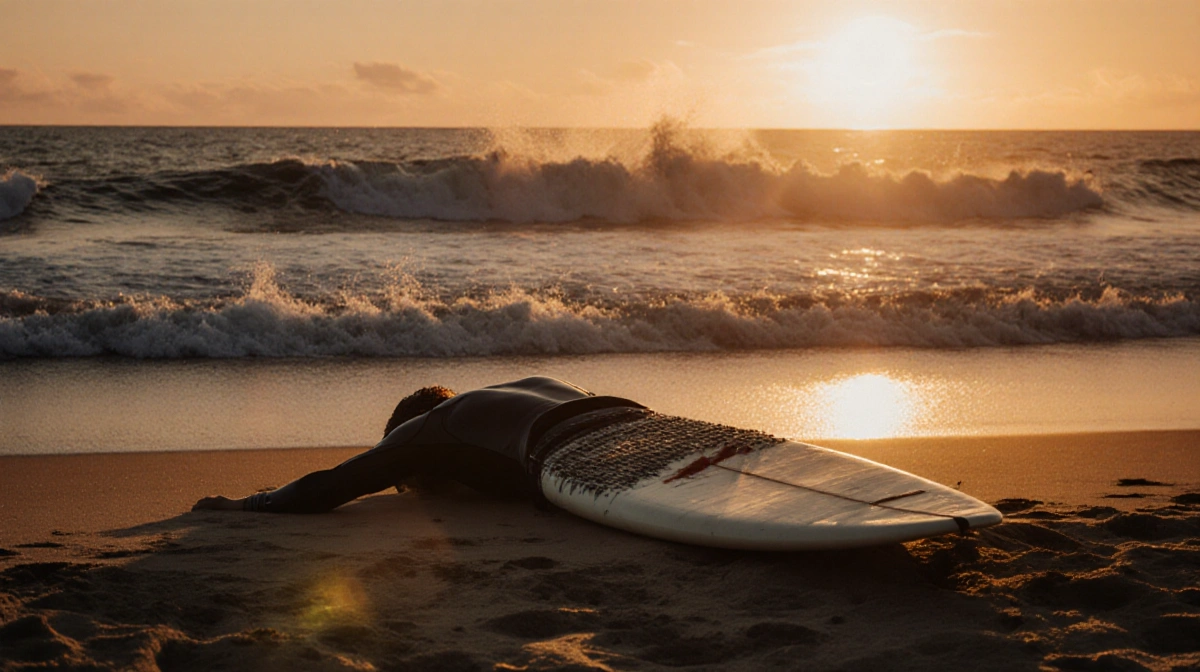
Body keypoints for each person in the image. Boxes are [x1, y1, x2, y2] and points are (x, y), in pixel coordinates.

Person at [193, 376, 648, 513]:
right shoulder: (537, 382)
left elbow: (333, 485)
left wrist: (243, 505)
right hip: (631, 417)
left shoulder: (435, 427)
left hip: (562, 448)